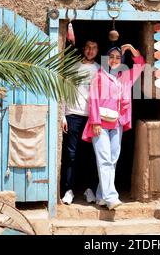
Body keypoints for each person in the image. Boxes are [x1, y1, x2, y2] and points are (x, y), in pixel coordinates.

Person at [82, 44, 145, 210]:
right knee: (104, 160)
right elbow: (94, 99)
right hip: (100, 124)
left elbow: (140, 65)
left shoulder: (125, 77)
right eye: (111, 57)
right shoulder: (99, 75)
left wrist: (132, 49)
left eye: (118, 57)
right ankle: (111, 197)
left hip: (117, 123)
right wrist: (95, 122)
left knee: (113, 160)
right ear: (106, 59)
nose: (114, 60)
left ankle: (101, 196)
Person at [61, 39, 100, 205]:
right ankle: (68, 190)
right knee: (70, 155)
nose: (91, 50)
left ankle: (89, 189)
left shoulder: (99, 69)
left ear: (97, 50)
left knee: (91, 155)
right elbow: (62, 90)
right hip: (73, 115)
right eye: (88, 47)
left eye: (94, 48)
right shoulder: (72, 67)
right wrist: (62, 115)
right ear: (83, 48)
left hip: (91, 117)